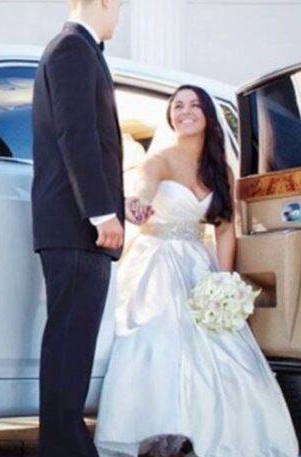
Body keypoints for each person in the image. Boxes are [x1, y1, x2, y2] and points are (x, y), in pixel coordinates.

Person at [93, 85, 300, 457]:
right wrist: (136, 205)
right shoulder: (160, 159)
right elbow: (143, 188)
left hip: (198, 264)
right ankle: (158, 437)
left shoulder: (219, 168)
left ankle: (220, 437)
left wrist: (223, 280)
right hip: (156, 262)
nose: (184, 112)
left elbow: (223, 229)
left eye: (194, 105)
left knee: (227, 350)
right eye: (177, 106)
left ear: (208, 116)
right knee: (162, 339)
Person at [30, 1, 124, 456]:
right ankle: (65, 448)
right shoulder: (72, 48)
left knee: (73, 342)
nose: (118, 14)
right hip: (75, 228)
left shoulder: (81, 50)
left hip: (75, 227)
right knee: (70, 342)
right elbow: (77, 133)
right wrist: (101, 212)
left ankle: (62, 445)